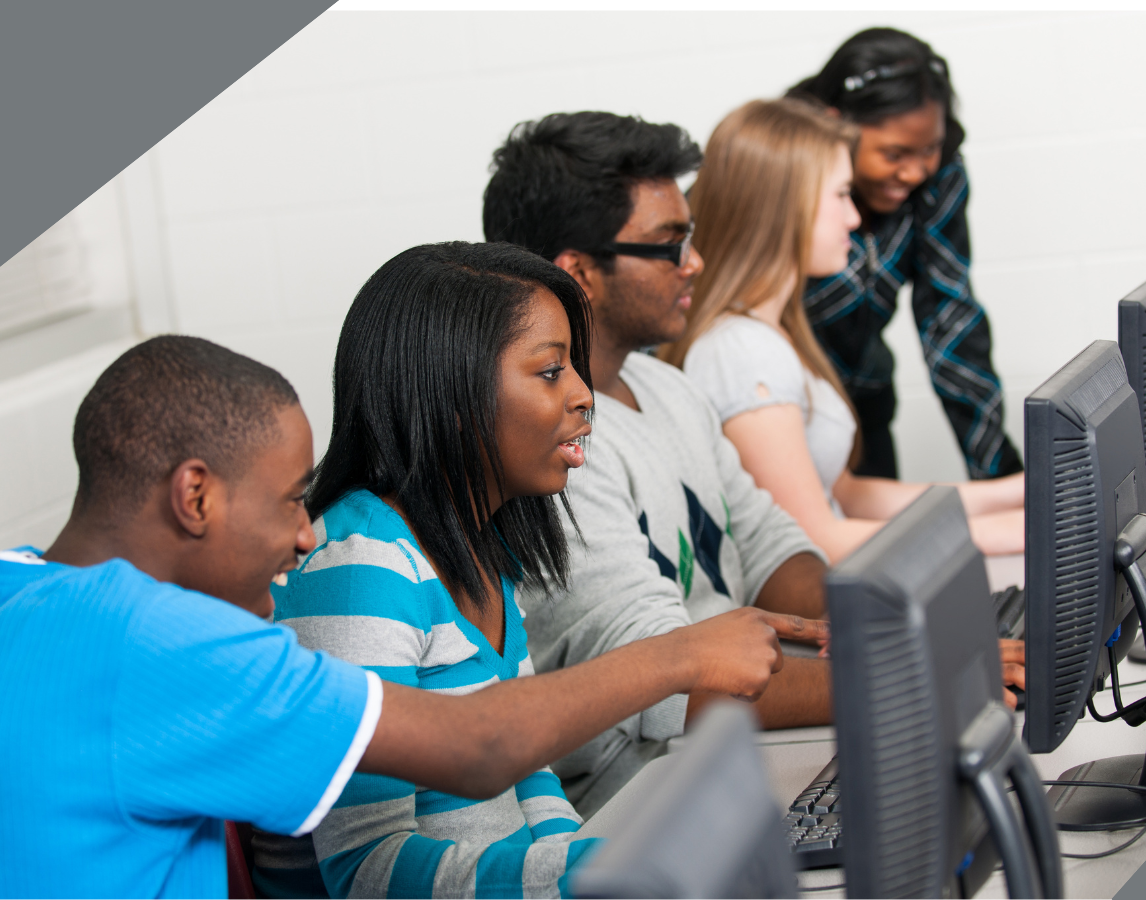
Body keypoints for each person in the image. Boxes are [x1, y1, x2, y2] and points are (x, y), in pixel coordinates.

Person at [0, 335, 818, 898]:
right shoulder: (147, 639)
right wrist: (680, 658)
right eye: (291, 501)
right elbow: (473, 746)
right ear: (195, 495)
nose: (305, 536)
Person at [483, 111, 1024, 816]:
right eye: (668, 246)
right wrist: (906, 671)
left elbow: (773, 545)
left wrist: (880, 637)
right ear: (578, 272)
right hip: (654, 795)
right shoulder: (552, 449)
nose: (694, 264)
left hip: (737, 737)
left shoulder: (666, 389)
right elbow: (665, 683)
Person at [251, 243, 807, 898]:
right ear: (451, 393)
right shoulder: (359, 567)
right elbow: (367, 871)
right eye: (550, 372)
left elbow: (531, 782)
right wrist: (586, 872)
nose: (583, 395)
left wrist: (594, 860)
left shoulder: (485, 547)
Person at [659, 98, 1024, 561]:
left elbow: (846, 495)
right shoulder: (741, 352)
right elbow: (816, 540)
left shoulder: (775, 332)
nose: (854, 217)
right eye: (841, 195)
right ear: (784, 206)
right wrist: (1009, 534)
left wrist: (1014, 495)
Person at [790, 27, 1023, 483]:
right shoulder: (775, 171)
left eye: (929, 149)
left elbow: (950, 317)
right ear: (835, 125)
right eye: (894, 153)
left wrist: (1002, 476)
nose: (915, 171)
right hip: (775, 413)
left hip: (865, 406)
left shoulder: (939, 177)